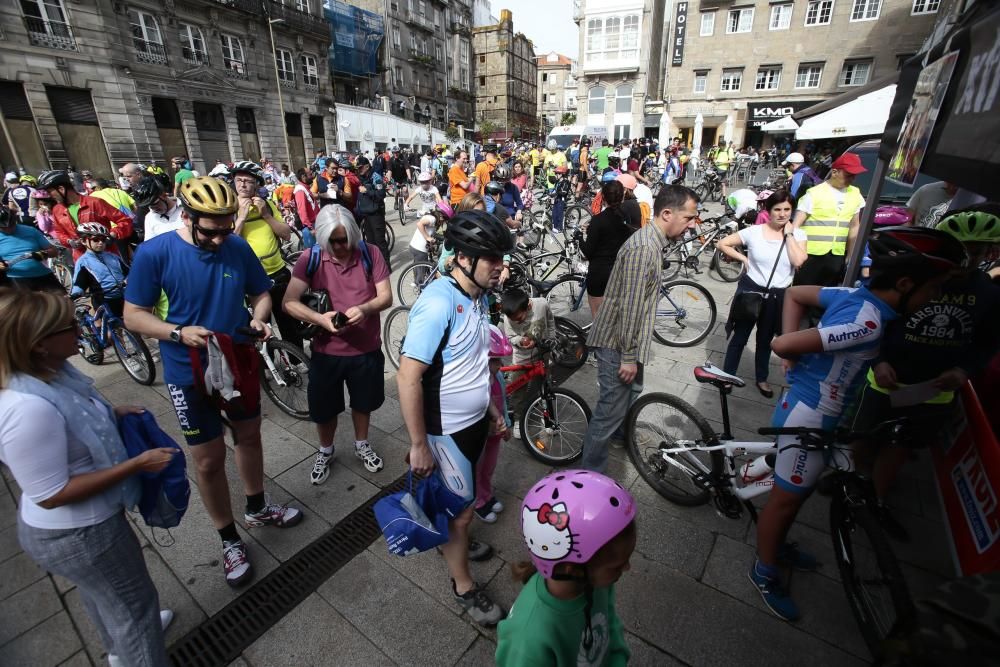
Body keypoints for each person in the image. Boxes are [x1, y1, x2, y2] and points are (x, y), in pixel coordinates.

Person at [752, 227, 968, 621]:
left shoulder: (858, 296)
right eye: (933, 289)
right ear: (904, 284)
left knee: (795, 492)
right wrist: (790, 353)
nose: (934, 298)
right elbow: (782, 344)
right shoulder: (867, 321)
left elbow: (796, 294)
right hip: (811, 414)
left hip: (818, 411)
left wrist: (796, 356)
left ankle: (776, 544)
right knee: (786, 501)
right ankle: (764, 570)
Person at [124, 176, 303, 587]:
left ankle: (257, 507)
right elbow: (133, 315)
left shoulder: (236, 246)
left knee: (251, 436)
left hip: (236, 360)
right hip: (187, 370)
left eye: (227, 228)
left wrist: (259, 318)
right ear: (187, 217)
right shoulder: (156, 253)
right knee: (207, 460)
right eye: (212, 230)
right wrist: (175, 332)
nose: (222, 239)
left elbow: (261, 293)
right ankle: (228, 539)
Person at [0, 288, 176, 667]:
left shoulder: (50, 375)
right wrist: (136, 464)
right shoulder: (28, 408)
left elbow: (74, 424)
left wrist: (113, 415)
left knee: (101, 594)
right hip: (81, 534)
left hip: (82, 529)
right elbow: (51, 492)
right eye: (68, 326)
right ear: (38, 344)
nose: (80, 329)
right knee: (136, 611)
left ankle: (116, 651)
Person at [849, 206, 1000, 541]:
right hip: (886, 379)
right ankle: (857, 479)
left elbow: (988, 342)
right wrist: (879, 360)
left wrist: (964, 370)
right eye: (964, 251)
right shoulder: (914, 278)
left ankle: (875, 500)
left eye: (978, 252)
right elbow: (877, 316)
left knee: (900, 446)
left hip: (933, 389)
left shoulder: (988, 294)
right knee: (863, 437)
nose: (970, 259)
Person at [396, 210, 513, 626]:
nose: (501, 267)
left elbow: (473, 364)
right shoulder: (439, 301)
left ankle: (458, 542)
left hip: (473, 422)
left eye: (501, 258)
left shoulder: (477, 296)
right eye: (492, 259)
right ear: (463, 258)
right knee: (459, 512)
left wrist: (492, 409)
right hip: (444, 431)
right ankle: (463, 585)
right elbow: (408, 376)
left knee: (459, 506)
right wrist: (417, 445)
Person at [580, 185, 700, 473]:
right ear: (667, 214)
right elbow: (630, 307)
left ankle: (621, 435)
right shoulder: (644, 248)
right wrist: (629, 356)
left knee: (631, 390)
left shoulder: (651, 241)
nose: (692, 225)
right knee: (608, 411)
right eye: (689, 218)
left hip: (627, 340)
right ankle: (589, 473)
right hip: (617, 344)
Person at [283, 206, 392, 483]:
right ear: (322, 237)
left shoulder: (370, 252)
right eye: (333, 240)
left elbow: (386, 297)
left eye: (345, 239)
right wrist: (320, 319)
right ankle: (325, 449)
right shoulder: (311, 257)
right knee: (324, 407)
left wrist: (364, 309)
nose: (340, 246)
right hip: (325, 351)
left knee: (363, 402)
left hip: (366, 348)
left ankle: (361, 443)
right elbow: (289, 302)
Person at [496, 470, 636, 667]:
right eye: (618, 565)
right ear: (572, 569)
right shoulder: (530, 637)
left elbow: (608, 619)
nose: (627, 568)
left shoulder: (595, 580)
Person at [718, 190, 808, 397]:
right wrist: (743, 259)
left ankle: (762, 378)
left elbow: (798, 261)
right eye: (777, 209)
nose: (783, 214)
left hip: (778, 295)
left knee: (765, 340)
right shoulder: (755, 232)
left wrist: (789, 235)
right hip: (751, 291)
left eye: (787, 209)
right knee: (739, 338)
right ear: (769, 211)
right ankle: (727, 376)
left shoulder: (799, 235)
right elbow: (722, 243)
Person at [792, 152, 868, 287]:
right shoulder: (814, 193)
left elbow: (855, 227)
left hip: (836, 256)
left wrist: (850, 256)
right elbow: (796, 226)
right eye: (848, 175)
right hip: (810, 255)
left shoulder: (856, 194)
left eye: (854, 175)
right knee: (803, 295)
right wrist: (798, 255)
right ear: (834, 172)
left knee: (826, 297)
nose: (852, 179)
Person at [38, 170, 133, 262]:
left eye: (50, 191)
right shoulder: (57, 210)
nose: (49, 196)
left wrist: (112, 235)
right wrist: (69, 241)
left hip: (107, 258)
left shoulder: (95, 203)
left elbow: (125, 221)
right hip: (82, 261)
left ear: (61, 189)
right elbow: (60, 232)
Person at [501, 287, 555, 439]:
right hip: (521, 358)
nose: (517, 321)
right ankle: (518, 420)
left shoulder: (542, 304)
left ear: (528, 306)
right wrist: (520, 340)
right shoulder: (509, 317)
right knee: (519, 392)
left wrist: (551, 338)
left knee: (545, 387)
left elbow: (550, 321)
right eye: (514, 320)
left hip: (542, 354)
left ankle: (547, 417)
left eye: (519, 319)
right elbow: (510, 336)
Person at [580, 181, 639, 319]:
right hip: (619, 271)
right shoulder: (625, 217)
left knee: (598, 318)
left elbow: (588, 251)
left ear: (604, 198)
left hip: (599, 272)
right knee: (615, 316)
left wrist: (579, 238)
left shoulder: (598, 220)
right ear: (622, 197)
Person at [474, 325, 512, 523]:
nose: (499, 365)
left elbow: (503, 401)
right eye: (494, 360)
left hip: (495, 434)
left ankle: (487, 494)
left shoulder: (497, 377)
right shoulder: (475, 383)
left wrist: (507, 422)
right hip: (479, 436)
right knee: (477, 468)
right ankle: (478, 502)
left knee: (489, 467)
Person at [70, 223, 129, 317]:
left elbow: (129, 272)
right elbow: (79, 283)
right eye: (95, 240)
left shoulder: (113, 257)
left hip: (125, 296)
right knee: (112, 328)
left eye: (103, 240)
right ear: (83, 241)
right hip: (104, 300)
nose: (101, 242)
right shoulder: (83, 262)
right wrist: (76, 294)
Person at [0, 207, 62, 291]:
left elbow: (54, 251)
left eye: (11, 225)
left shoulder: (30, 230)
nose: (8, 229)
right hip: (15, 278)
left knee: (64, 301)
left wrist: (44, 253)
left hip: (43, 274)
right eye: (3, 227)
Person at [354, 156, 392, 271]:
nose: (359, 170)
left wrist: (367, 191)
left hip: (376, 214)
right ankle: (375, 266)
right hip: (366, 214)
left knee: (380, 241)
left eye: (360, 168)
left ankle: (386, 267)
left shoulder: (375, 177)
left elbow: (381, 195)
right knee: (370, 242)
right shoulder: (361, 177)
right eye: (358, 168)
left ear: (367, 166)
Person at [133, 176, 183, 241]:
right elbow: (150, 245)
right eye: (148, 205)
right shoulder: (150, 218)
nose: (153, 209)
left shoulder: (186, 209)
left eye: (154, 203)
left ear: (164, 195)